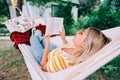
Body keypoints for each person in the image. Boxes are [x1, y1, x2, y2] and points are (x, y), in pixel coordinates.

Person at [30, 27, 111, 73]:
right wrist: (63, 37)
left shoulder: (63, 61)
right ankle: (39, 36)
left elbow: (43, 67)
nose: (78, 32)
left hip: (44, 57)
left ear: (84, 44)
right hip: (56, 50)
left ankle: (36, 35)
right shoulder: (77, 48)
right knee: (42, 39)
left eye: (82, 33)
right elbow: (67, 47)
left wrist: (47, 46)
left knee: (33, 38)